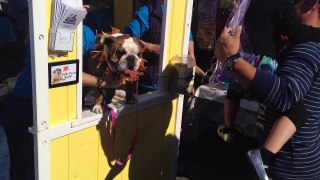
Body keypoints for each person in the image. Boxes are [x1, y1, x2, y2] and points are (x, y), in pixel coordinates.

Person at [215, 0, 320, 179]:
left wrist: (232, 61)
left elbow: (286, 95)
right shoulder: (296, 42)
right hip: (287, 163)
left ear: (312, 3)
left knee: (296, 110)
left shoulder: (306, 48)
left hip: (288, 169)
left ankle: (255, 150)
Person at [123, 0, 196, 94]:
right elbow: (128, 37)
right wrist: (150, 47)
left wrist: (191, 55)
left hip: (175, 80)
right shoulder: (147, 11)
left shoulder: (181, 10)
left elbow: (188, 33)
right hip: (149, 82)